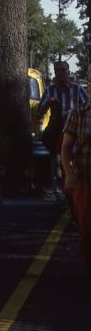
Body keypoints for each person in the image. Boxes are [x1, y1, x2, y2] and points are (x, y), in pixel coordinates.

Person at [38, 61, 89, 197]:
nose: (59, 73)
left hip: (75, 130)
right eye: (56, 71)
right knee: (56, 159)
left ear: (68, 72)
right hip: (57, 130)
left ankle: (73, 187)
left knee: (74, 158)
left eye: (62, 70)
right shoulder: (50, 90)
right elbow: (40, 110)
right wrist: (48, 103)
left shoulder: (77, 89)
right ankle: (57, 189)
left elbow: (87, 105)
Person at [61, 105, 91, 276]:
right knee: (86, 229)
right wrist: (69, 173)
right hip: (85, 181)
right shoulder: (78, 114)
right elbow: (65, 148)